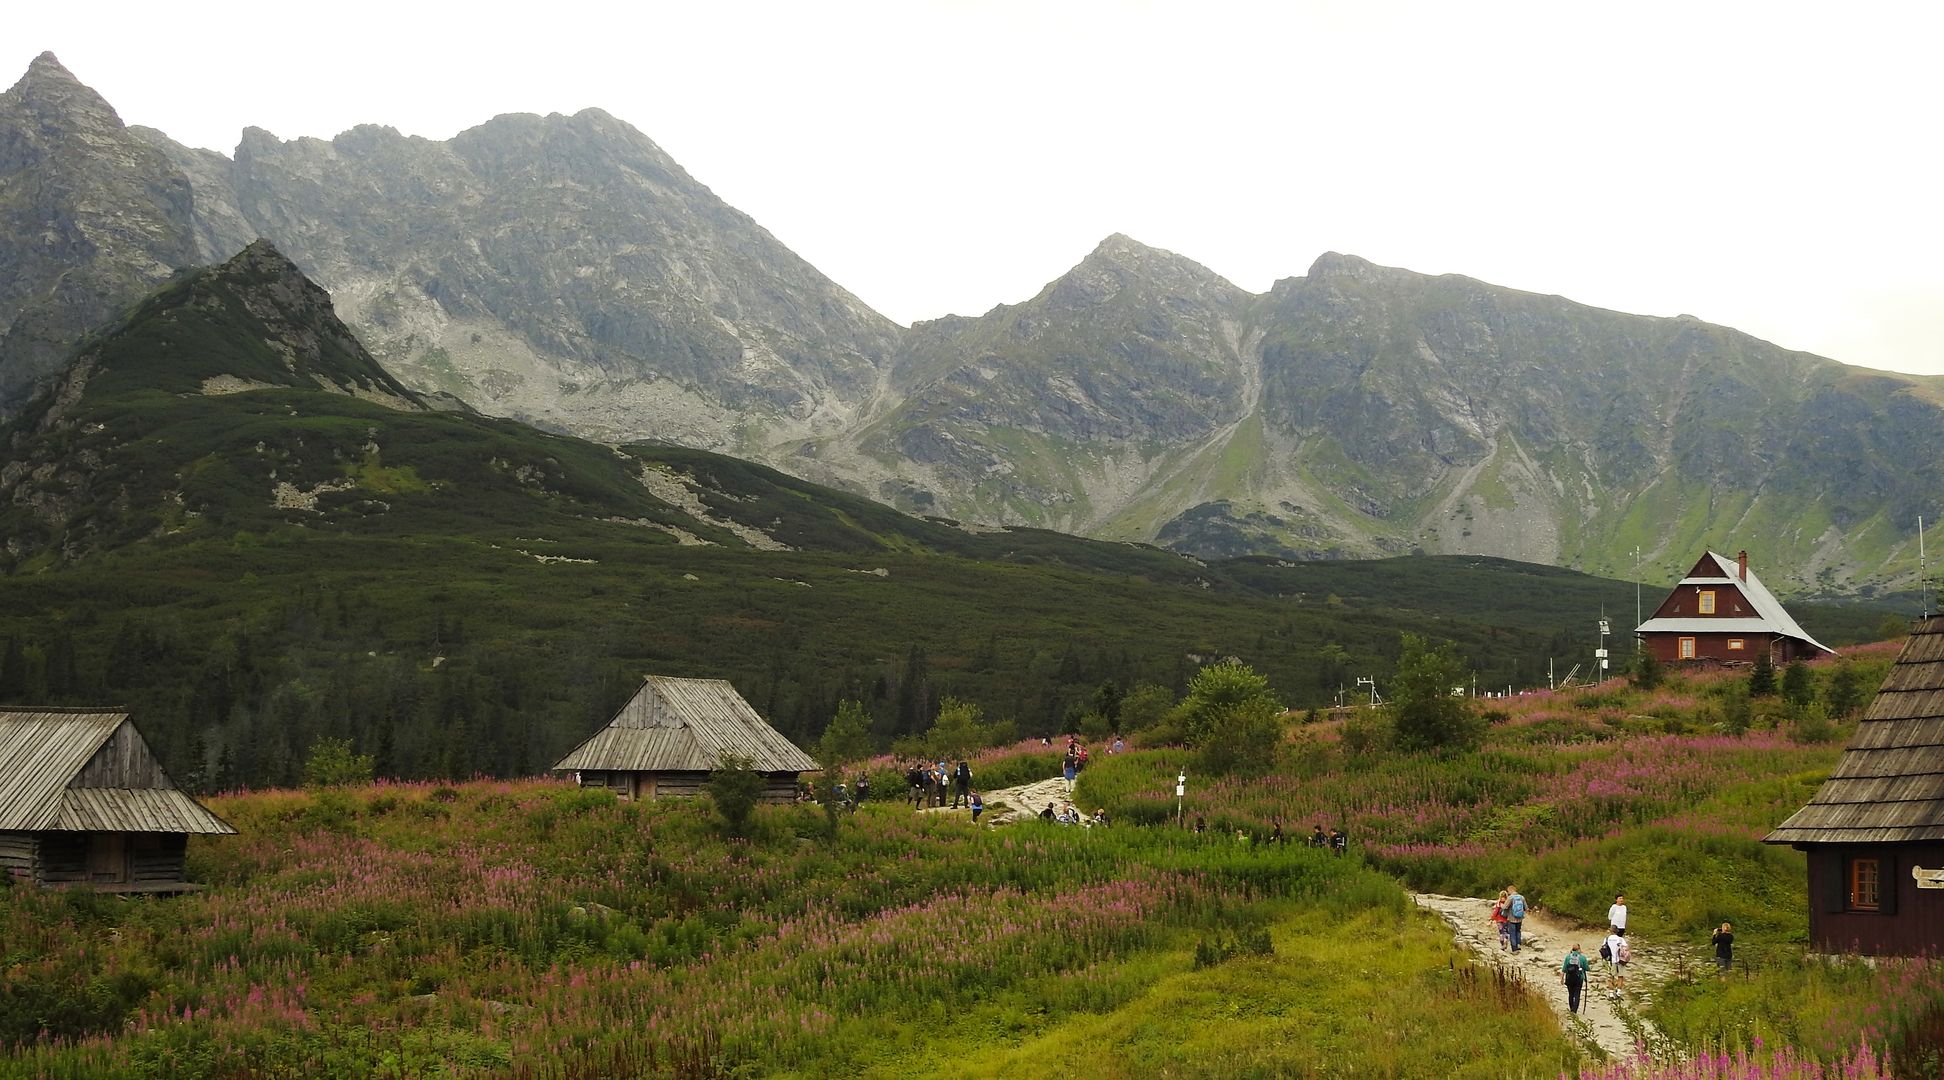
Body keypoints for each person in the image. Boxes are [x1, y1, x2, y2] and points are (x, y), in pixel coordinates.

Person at [1561, 945, 1590, 1015]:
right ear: (1579, 949)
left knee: (1570, 994)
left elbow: (1564, 969)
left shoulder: (1568, 957)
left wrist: (1562, 978)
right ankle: (1574, 1010)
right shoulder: (1582, 957)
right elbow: (1587, 968)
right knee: (1577, 994)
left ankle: (1571, 1008)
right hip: (1579, 978)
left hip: (1569, 978)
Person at [1604, 927, 1629, 997]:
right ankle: (1618, 992)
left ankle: (1611, 993)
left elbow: (1603, 948)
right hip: (1620, 960)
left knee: (1610, 977)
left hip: (1611, 960)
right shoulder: (1621, 939)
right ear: (1617, 931)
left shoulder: (1606, 939)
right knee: (1620, 977)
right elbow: (1626, 948)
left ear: (1610, 931)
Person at [1505, 886, 1528, 953]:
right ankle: (1518, 944)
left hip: (1512, 918)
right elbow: (1526, 907)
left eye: (1508, 891)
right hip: (1520, 918)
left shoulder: (1510, 898)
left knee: (1512, 932)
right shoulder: (1522, 897)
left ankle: (1514, 948)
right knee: (1518, 931)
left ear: (1510, 890)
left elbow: (1505, 907)